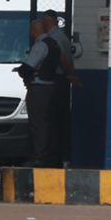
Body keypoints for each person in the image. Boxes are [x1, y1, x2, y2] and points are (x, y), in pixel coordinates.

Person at [16, 18, 65, 167]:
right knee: (49, 123)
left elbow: (29, 66)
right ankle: (52, 157)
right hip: (50, 87)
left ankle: (39, 157)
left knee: (38, 123)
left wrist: (21, 71)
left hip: (39, 88)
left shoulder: (40, 45)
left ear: (34, 31)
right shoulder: (54, 44)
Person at [40, 11, 81, 164]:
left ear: (48, 21)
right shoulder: (61, 36)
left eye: (43, 21)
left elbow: (62, 59)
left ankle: (55, 155)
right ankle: (60, 155)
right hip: (62, 79)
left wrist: (69, 74)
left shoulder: (54, 38)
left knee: (55, 119)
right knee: (60, 118)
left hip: (58, 79)